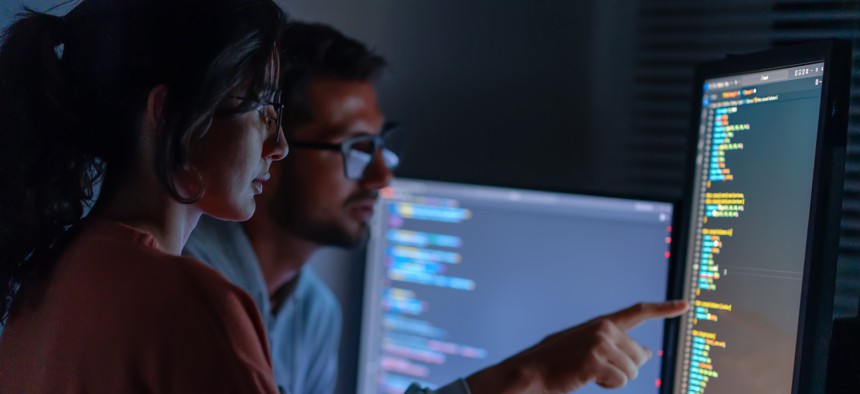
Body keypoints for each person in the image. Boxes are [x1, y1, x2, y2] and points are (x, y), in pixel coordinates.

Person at [185, 21, 688, 394]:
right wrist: (526, 376)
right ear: (271, 146)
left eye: (385, 145)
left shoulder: (314, 313)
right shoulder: (192, 290)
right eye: (356, 149)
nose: (383, 176)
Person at [0, 0, 289, 391]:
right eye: (264, 112)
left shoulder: (40, 284)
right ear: (170, 113)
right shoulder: (194, 306)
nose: (280, 145)